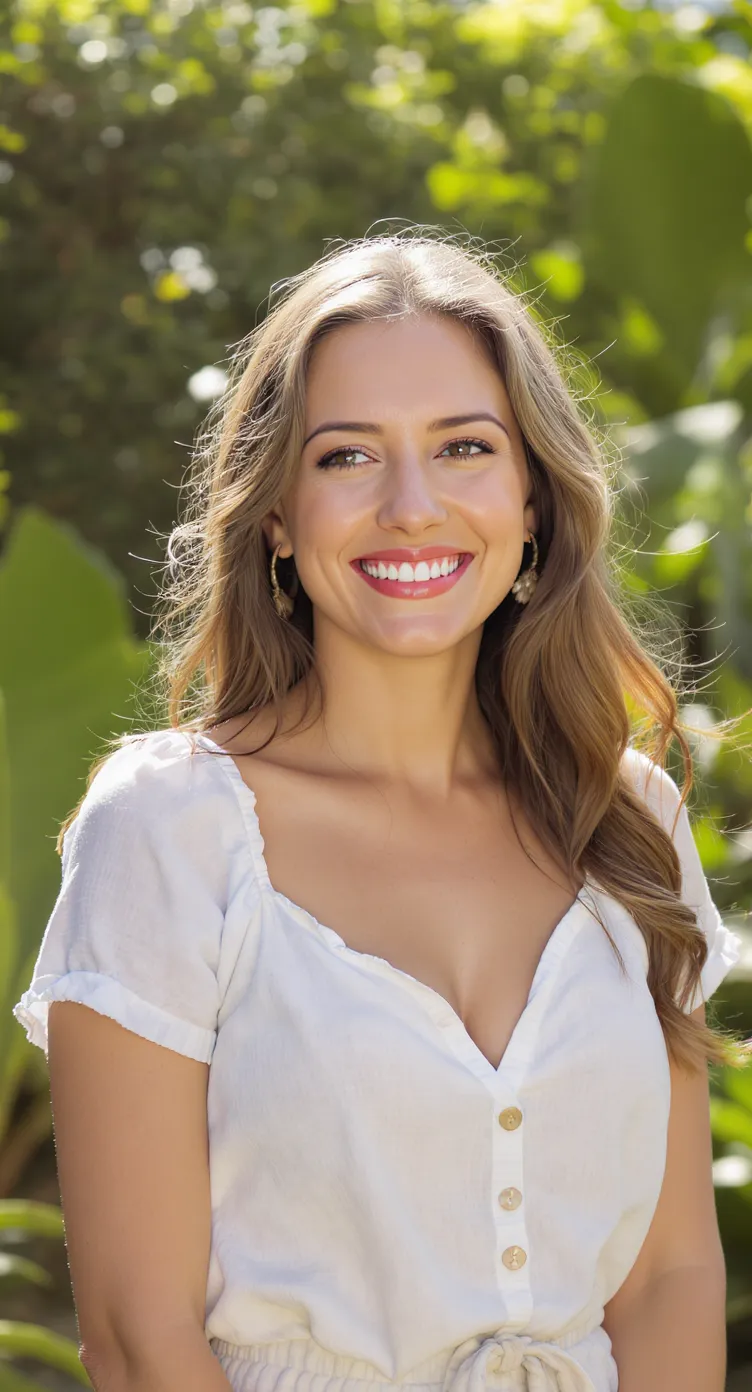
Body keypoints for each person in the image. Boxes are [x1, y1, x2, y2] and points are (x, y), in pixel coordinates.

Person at [13, 230, 749, 1392]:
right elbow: (137, 1333)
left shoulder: (629, 826)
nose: (411, 507)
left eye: (463, 447)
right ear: (274, 515)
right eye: (347, 456)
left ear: (531, 499)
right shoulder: (170, 829)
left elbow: (666, 1278)